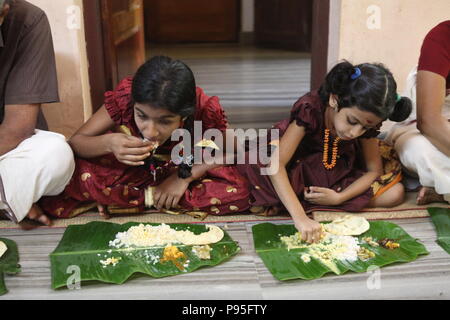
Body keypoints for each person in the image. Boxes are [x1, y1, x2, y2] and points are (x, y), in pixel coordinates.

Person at [39, 56, 250, 218]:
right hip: (129, 169)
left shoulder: (203, 108)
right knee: (72, 175)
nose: (150, 131)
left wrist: (183, 177)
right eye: (142, 116)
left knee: (239, 190)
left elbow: (235, 152)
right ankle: (152, 198)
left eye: (165, 121)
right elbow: (76, 143)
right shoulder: (126, 98)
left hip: (182, 164)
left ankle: (121, 199)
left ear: (184, 114)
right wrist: (109, 143)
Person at [237, 61, 412, 243]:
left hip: (336, 169)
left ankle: (316, 201)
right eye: (352, 121)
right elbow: (276, 164)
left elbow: (373, 171)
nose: (354, 133)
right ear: (334, 99)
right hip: (295, 166)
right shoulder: (310, 108)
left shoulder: (364, 124)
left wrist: (339, 198)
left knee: (396, 193)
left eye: (366, 127)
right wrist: (300, 218)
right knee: (255, 176)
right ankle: (301, 202)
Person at [0, 0, 74, 226]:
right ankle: (11, 199)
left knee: (56, 154)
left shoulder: (29, 21)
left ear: (3, 12)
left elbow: (17, 130)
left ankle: (9, 197)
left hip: (6, 150)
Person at [385, 20, 450, 205]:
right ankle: (441, 186)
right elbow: (429, 122)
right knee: (420, 151)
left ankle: (440, 188)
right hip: (426, 132)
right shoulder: (442, 37)